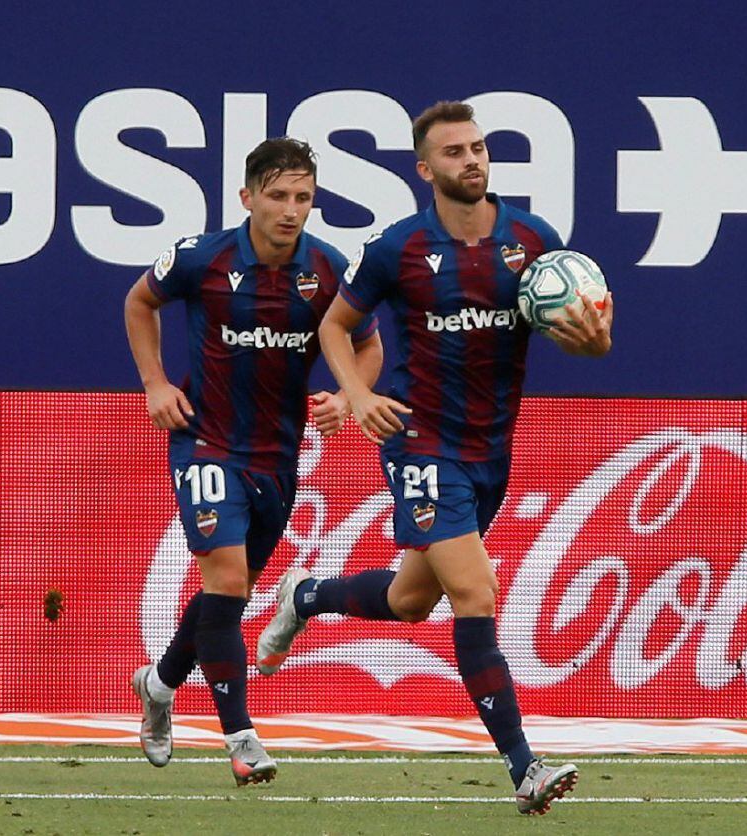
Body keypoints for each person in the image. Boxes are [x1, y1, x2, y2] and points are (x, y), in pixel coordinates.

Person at [256, 101, 613, 815]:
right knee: (475, 594)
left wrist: (591, 340)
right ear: (426, 169)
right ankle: (524, 768)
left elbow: (595, 338)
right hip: (418, 441)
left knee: (411, 600)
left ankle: (307, 596)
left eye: (478, 148)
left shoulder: (534, 242)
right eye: (454, 152)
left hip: (490, 450)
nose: (472, 160)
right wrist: (356, 395)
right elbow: (335, 326)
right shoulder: (400, 249)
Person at [124, 137, 382, 786]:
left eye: (302, 198)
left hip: (277, 456)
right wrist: (156, 383)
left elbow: (368, 344)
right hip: (205, 440)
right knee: (228, 579)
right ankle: (241, 738)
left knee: (226, 594)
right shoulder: (202, 258)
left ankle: (158, 686)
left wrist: (349, 397)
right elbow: (139, 303)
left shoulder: (327, 270)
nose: (291, 210)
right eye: (277, 196)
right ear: (247, 198)